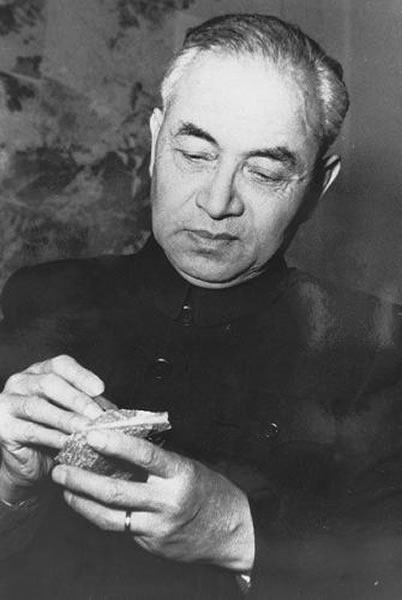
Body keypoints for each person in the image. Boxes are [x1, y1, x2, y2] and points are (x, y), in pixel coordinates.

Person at [1, 13, 402, 600]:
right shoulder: (38, 297)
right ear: (154, 141)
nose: (217, 203)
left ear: (318, 186)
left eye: (264, 172)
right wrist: (11, 485)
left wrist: (237, 531)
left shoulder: (380, 350)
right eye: (194, 153)